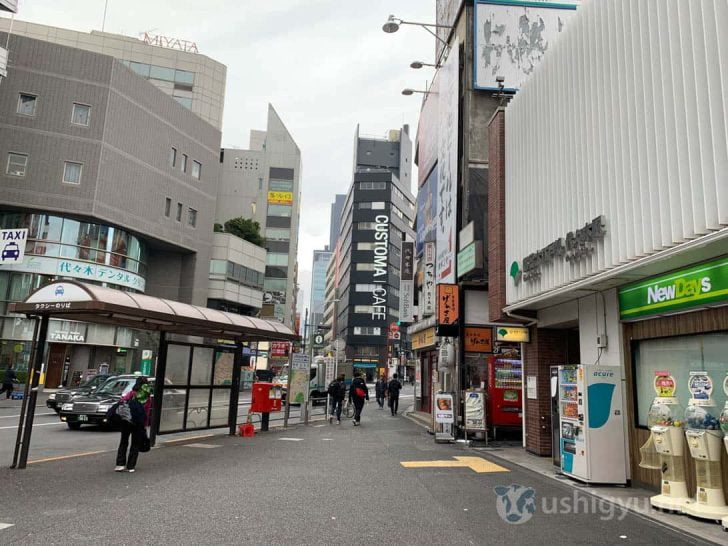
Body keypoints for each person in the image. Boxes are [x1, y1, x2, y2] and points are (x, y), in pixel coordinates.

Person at [115, 377, 152, 473]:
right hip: (139, 422)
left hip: (127, 420)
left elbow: (122, 402)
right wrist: (145, 424)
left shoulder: (132, 393)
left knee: (124, 441)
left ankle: (120, 464)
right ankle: (131, 466)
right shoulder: (147, 396)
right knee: (135, 444)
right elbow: (147, 411)